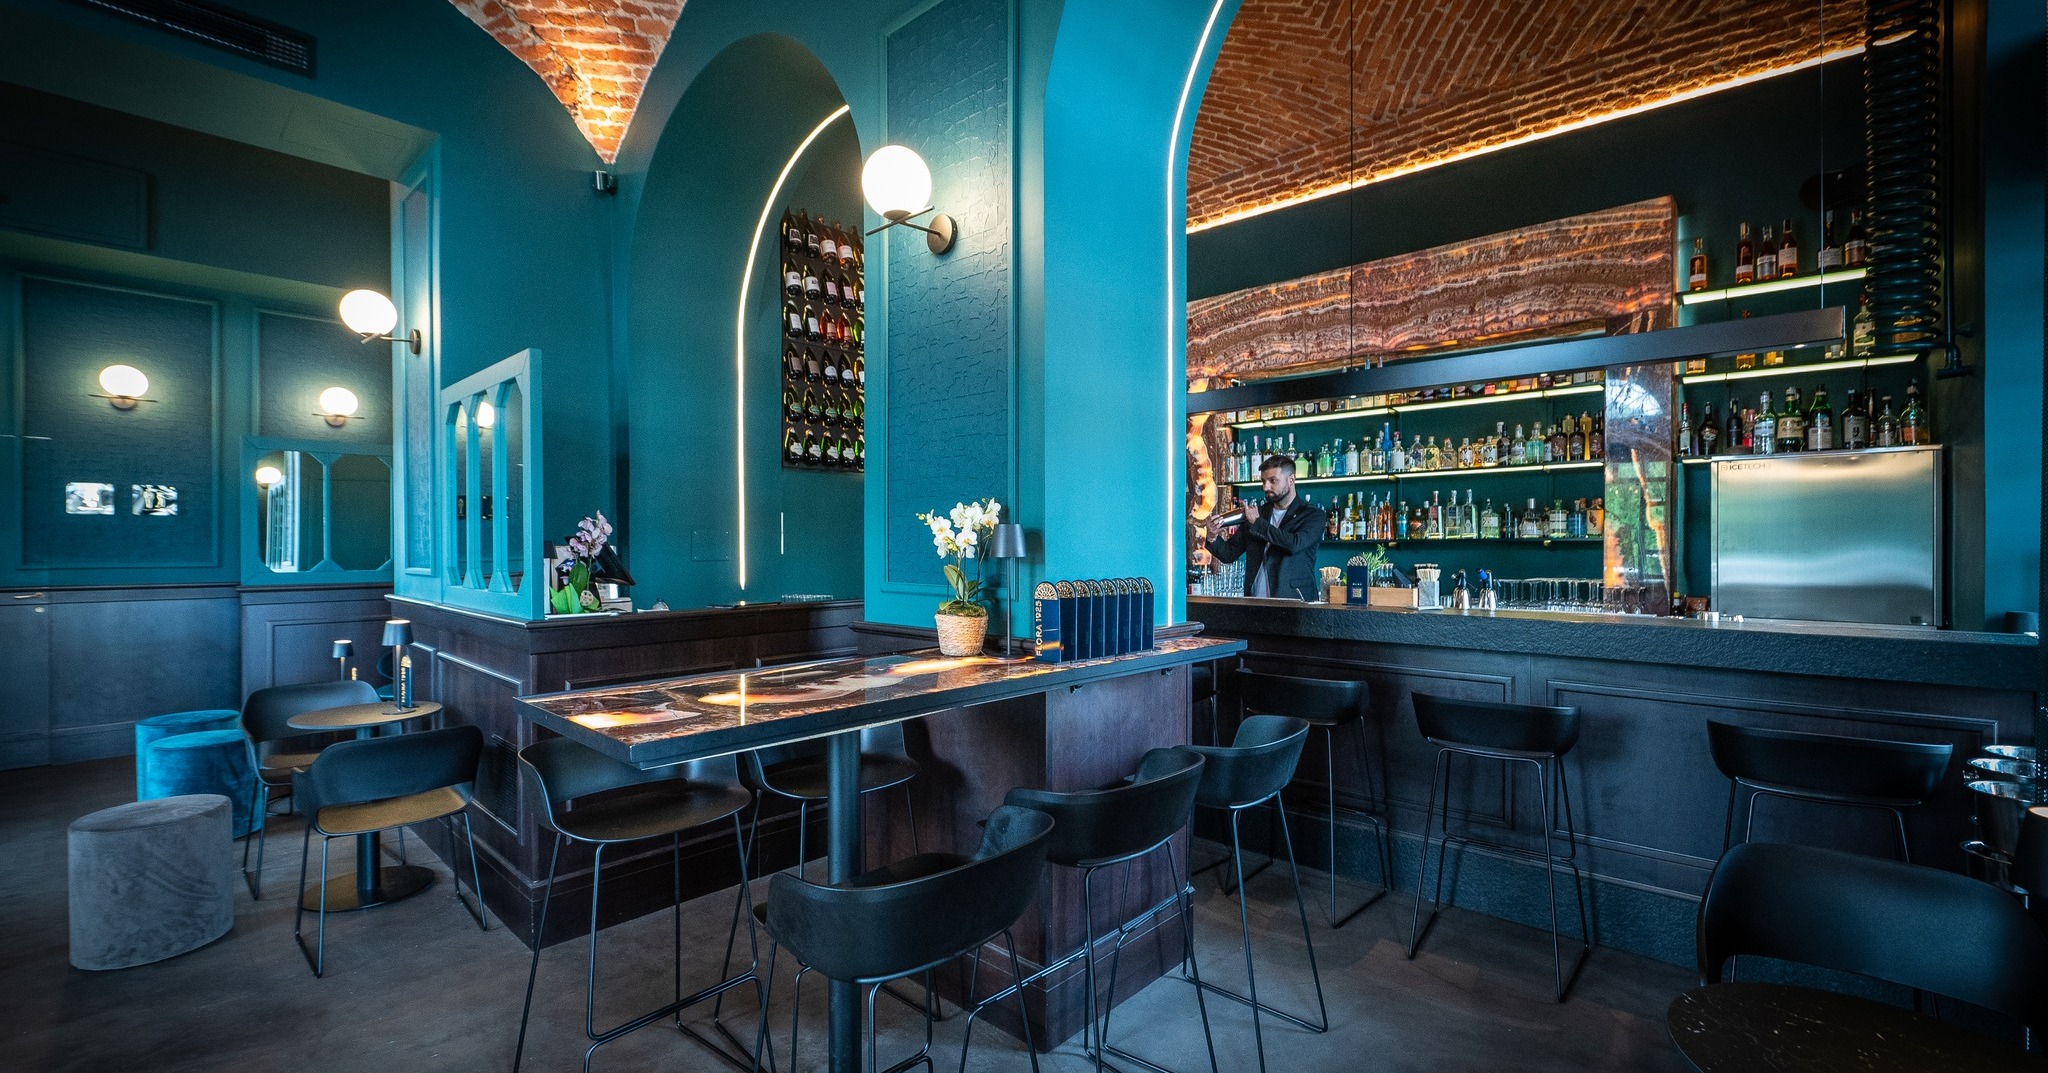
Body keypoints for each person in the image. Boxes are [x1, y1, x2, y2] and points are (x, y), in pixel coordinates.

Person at [1205, 453, 1327, 600]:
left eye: (1272, 481)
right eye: (1263, 481)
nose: (1266, 487)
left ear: (1291, 479)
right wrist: (1212, 537)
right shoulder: (1259, 514)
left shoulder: (1313, 515)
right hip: (1256, 601)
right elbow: (1229, 554)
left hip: (1295, 602)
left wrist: (1258, 523)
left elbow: (1294, 544)